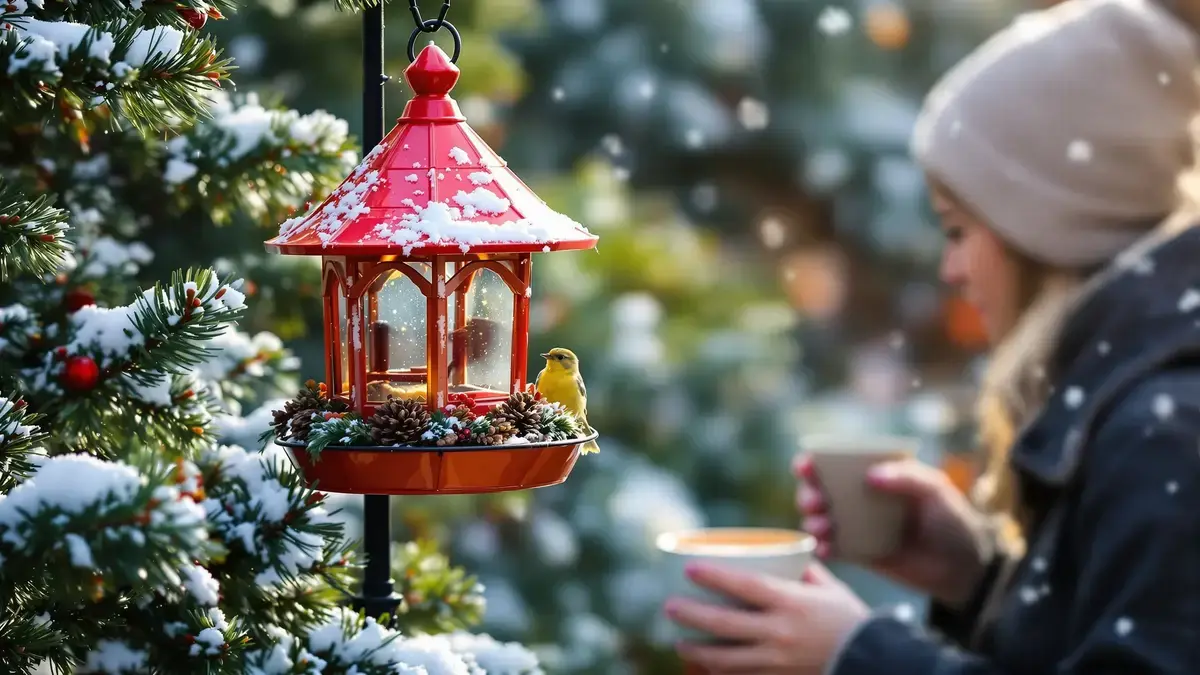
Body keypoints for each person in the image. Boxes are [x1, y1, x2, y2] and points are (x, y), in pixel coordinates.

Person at [662, 0, 1200, 672]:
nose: (951, 269)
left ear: (1046, 225)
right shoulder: (1141, 403)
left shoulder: (1165, 429)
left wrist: (859, 655)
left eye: (957, 230)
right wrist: (974, 577)